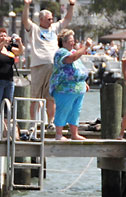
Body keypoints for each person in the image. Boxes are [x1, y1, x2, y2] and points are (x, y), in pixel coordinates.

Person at [22, 0, 75, 128]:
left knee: (51, 97)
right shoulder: (35, 28)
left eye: (51, 19)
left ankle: (51, 122)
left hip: (54, 66)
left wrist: (71, 5)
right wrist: (27, 5)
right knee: (35, 96)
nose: (51, 21)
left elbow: (67, 19)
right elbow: (25, 20)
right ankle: (33, 124)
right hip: (38, 66)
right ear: (41, 20)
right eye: (48, 19)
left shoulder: (55, 28)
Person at [50, 30, 91, 141]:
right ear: (63, 42)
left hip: (78, 89)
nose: (73, 43)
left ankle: (74, 134)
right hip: (64, 89)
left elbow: (77, 69)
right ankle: (59, 134)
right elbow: (71, 59)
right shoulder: (61, 53)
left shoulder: (73, 51)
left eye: (73, 41)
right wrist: (85, 47)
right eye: (70, 41)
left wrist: (83, 82)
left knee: (75, 111)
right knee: (63, 109)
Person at [0, 27, 24, 137]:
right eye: (0, 36)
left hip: (9, 81)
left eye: (5, 35)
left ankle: (7, 130)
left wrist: (19, 42)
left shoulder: (9, 48)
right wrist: (2, 44)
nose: (3, 37)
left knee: (8, 106)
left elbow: (20, 52)